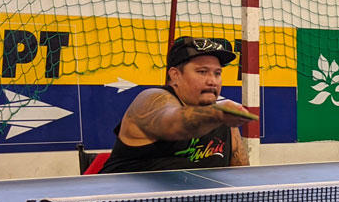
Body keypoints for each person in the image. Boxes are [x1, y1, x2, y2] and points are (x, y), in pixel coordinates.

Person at [100, 36, 252, 173]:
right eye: (202, 72)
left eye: (217, 73)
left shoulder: (225, 120)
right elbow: (172, 124)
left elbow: (242, 177)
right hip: (124, 194)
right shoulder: (151, 100)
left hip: (195, 195)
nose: (212, 81)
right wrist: (217, 114)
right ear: (175, 75)